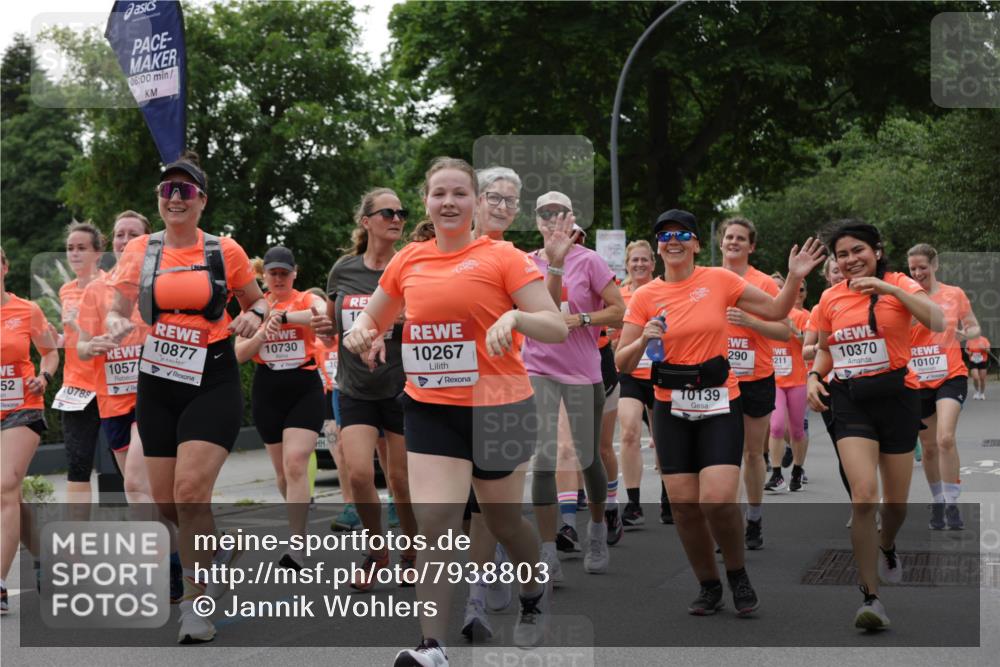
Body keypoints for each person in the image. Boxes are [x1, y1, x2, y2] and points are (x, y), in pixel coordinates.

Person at [344, 157, 567, 665]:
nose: (449, 202)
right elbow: (372, 322)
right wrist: (362, 334)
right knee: (437, 522)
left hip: (501, 407)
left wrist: (515, 316)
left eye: (459, 194)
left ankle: (533, 593)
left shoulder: (504, 257)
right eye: (439, 193)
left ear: (475, 203)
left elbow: (554, 326)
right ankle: (431, 647)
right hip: (431, 408)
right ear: (426, 200)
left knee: (504, 520)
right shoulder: (409, 261)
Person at [617, 209, 824, 618]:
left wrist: (796, 276)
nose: (671, 240)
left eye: (681, 234)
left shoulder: (719, 280)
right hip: (670, 406)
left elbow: (778, 311)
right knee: (683, 506)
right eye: (664, 235)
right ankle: (708, 584)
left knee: (717, 500)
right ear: (658, 246)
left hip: (718, 402)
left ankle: (737, 572)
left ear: (696, 243)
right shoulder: (644, 296)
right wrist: (643, 337)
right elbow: (622, 363)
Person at [105, 150, 268, 644]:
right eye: (167, 190)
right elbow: (118, 307)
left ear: (201, 200)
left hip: (212, 376)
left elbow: (259, 301)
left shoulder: (225, 249)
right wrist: (115, 324)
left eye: (186, 190)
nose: (175, 198)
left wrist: (252, 317)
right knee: (166, 502)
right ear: (159, 199)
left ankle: (196, 607)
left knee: (191, 491)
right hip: (157, 378)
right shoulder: (140, 252)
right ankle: (218, 553)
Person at [807, 220, 943, 630]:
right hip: (849, 399)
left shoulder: (900, 283)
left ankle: (888, 544)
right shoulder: (830, 297)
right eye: (842, 255)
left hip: (898, 397)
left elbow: (936, 319)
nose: (850, 260)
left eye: (858, 251)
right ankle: (871, 597)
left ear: (877, 251)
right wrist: (814, 375)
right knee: (864, 496)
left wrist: (890, 290)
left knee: (895, 506)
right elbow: (828, 350)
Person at [524, 191, 624, 576]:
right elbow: (542, 312)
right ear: (535, 220)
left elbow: (619, 310)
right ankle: (548, 549)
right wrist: (554, 266)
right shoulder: (525, 264)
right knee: (545, 458)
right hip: (539, 369)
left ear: (571, 217)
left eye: (558, 213)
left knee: (587, 457)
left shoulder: (591, 261)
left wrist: (583, 320)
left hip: (583, 371)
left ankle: (597, 528)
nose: (551, 219)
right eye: (543, 213)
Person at [327, 188, 418, 590]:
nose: (396, 218)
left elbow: (424, 320)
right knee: (361, 475)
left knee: (400, 480)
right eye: (387, 213)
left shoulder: (409, 267)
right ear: (366, 222)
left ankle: (412, 550)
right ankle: (377, 550)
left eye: (401, 213)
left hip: (400, 386)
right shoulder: (343, 271)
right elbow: (335, 327)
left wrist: (389, 328)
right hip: (354, 387)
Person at [236, 246, 331, 568]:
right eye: (272, 273)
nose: (278, 279)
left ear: (294, 274)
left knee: (295, 463)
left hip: (304, 386)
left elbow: (322, 313)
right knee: (282, 473)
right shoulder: (255, 306)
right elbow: (239, 353)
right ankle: (299, 518)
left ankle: (297, 543)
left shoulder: (304, 299)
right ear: (263, 276)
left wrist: (286, 317)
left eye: (284, 273)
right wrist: (263, 331)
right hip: (268, 389)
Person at [717, 217, 791, 550]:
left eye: (740, 238)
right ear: (720, 243)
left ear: (751, 246)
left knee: (751, 454)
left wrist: (749, 321)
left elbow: (784, 331)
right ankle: (727, 524)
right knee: (724, 455)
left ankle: (755, 517)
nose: (733, 242)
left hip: (756, 377)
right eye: (729, 237)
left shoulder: (763, 284)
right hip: (717, 380)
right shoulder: (708, 279)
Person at [75, 212, 153, 503]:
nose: (126, 240)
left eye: (134, 235)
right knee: (144, 489)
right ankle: (196, 546)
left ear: (148, 240)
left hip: (154, 398)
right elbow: (81, 349)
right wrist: (93, 345)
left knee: (134, 484)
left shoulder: (161, 286)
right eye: (120, 234)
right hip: (112, 402)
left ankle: (160, 548)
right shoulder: (96, 290)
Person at [1, 247, 60, 615]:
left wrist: (44, 376)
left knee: (5, 484)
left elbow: (50, 351)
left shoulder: (27, 310)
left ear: (4, 267)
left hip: (22, 409)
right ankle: (45, 559)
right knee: (10, 499)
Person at [907, 243, 981, 530]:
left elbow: (973, 325)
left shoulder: (954, 294)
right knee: (928, 448)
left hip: (951, 374)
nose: (917, 273)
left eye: (922, 267)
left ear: (935, 265)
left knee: (945, 438)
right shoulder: (906, 298)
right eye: (912, 269)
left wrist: (967, 334)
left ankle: (952, 503)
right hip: (918, 379)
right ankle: (937, 500)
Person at [55, 222, 106, 504]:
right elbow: (75, 337)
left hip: (110, 386)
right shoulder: (66, 290)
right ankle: (76, 545)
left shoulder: (112, 286)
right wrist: (60, 337)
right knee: (77, 466)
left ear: (97, 253)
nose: (74, 254)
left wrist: (78, 322)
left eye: (82, 248)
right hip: (76, 387)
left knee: (130, 467)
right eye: (70, 248)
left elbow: (116, 336)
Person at [614, 240, 658, 526]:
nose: (640, 265)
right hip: (629, 372)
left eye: (644, 260)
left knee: (665, 439)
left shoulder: (664, 290)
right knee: (628, 431)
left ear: (653, 264)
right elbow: (612, 336)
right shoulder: (619, 295)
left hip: (660, 372)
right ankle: (633, 503)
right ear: (627, 264)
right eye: (635, 261)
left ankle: (669, 499)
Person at [803, 256, 853, 505]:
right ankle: (860, 505)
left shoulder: (865, 301)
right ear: (827, 276)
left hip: (863, 382)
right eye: (835, 271)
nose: (840, 274)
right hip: (830, 386)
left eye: (842, 271)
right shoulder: (820, 307)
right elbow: (805, 350)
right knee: (844, 450)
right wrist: (829, 345)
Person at [764, 273, 811, 492]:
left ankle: (798, 470)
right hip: (774, 380)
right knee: (776, 426)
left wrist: (791, 326)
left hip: (797, 379)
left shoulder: (803, 315)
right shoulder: (765, 314)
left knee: (797, 430)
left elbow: (809, 345)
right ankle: (776, 475)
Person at [966, 334, 990, 399]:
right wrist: (968, 353)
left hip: (982, 361)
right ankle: (976, 392)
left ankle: (982, 393)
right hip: (973, 361)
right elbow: (966, 349)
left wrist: (984, 348)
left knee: (982, 379)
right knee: (975, 377)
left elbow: (988, 351)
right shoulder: (969, 340)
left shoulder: (984, 340)